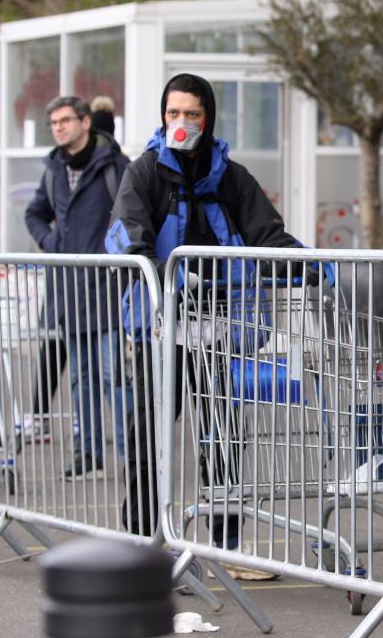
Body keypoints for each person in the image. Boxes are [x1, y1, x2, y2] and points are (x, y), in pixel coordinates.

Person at [105, 74, 309, 565]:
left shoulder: (232, 177)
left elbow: (268, 235)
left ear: (208, 117)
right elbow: (125, 235)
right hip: (163, 328)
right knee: (148, 433)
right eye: (172, 113)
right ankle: (142, 538)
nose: (181, 123)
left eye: (191, 114)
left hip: (223, 328)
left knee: (222, 435)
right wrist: (160, 275)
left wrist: (312, 264)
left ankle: (223, 542)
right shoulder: (145, 172)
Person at [24, 95, 132, 479]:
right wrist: (50, 242)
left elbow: (135, 214)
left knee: (113, 375)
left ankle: (130, 453)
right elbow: (35, 212)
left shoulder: (115, 165)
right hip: (69, 291)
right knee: (79, 377)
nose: (59, 128)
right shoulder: (54, 169)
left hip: (106, 291)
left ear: (86, 122)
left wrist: (117, 253)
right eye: (53, 122)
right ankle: (88, 454)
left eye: (65, 120)